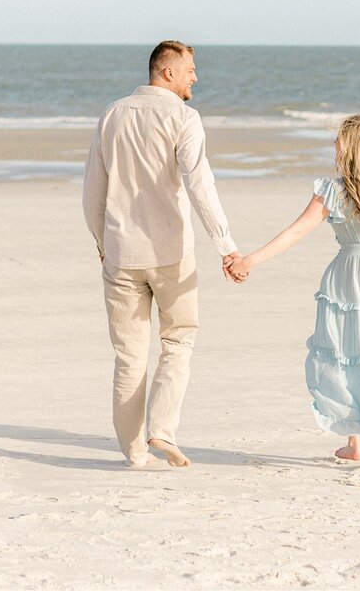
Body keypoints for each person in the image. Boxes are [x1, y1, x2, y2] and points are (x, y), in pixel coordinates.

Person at [227, 114, 360, 474]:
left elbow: (294, 233)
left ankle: (354, 442)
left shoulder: (333, 191)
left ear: (354, 149)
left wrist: (250, 260)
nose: (334, 146)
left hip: (349, 278)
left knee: (346, 355)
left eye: (338, 140)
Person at [83, 40, 241, 469]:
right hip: (172, 253)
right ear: (167, 71)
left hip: (120, 253)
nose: (196, 76)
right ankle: (161, 430)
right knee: (178, 341)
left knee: (129, 356)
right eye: (190, 68)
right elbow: (199, 185)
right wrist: (225, 245)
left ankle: (134, 453)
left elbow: (93, 192)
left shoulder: (112, 114)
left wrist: (102, 243)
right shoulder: (183, 117)